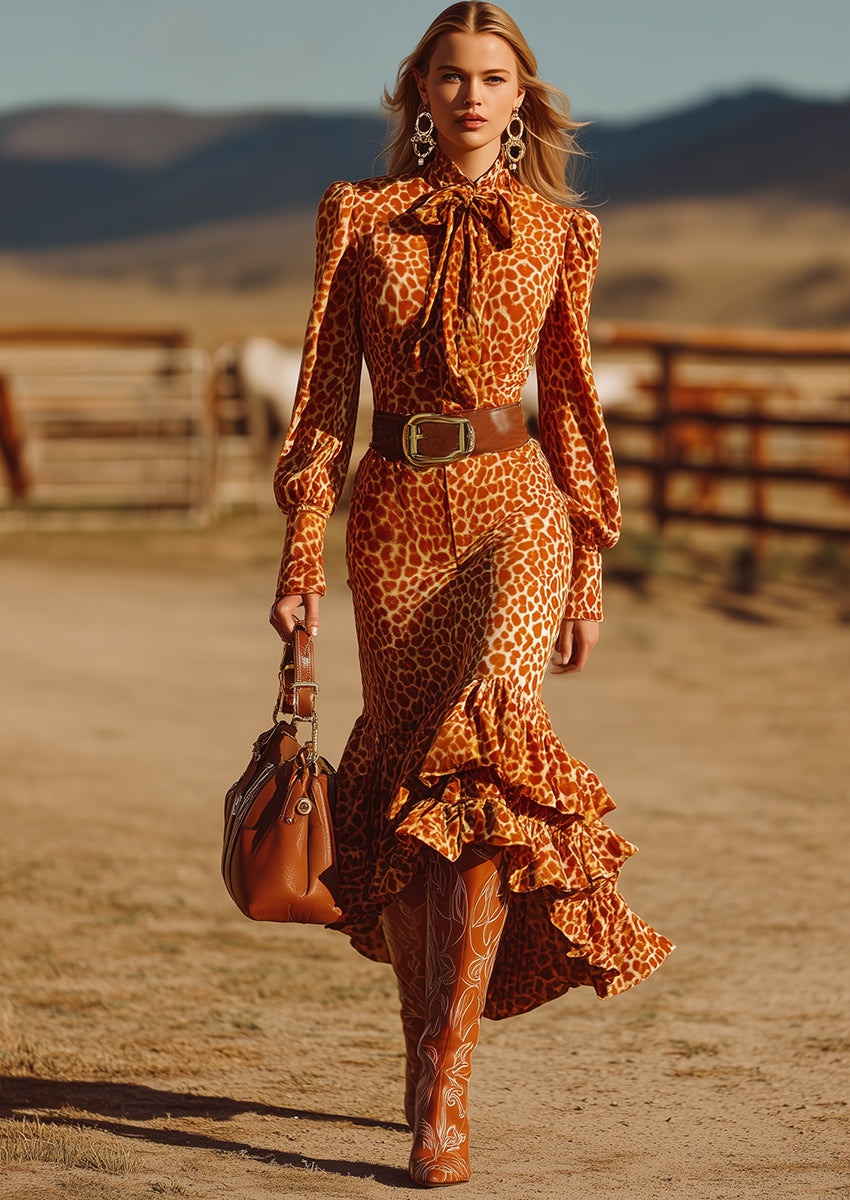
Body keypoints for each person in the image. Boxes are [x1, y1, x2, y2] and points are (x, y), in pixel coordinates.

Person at [269, 2, 673, 1186]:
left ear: (520, 97)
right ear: (420, 93)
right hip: (394, 515)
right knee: (402, 773)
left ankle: (448, 1074)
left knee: (484, 760)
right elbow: (318, 404)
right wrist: (300, 561)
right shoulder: (360, 215)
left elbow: (575, 405)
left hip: (516, 507)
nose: (471, 97)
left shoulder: (561, 231)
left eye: (493, 78)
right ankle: (416, 1031)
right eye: (450, 76)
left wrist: (586, 562)